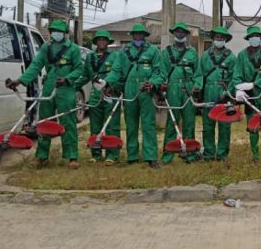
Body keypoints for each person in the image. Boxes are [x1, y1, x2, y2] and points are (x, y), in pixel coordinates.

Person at [6, 19, 83, 168]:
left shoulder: (73, 49)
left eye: (59, 31)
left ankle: (72, 156)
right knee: (44, 122)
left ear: (65, 33)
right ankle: (42, 156)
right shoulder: (45, 48)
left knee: (68, 122)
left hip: (66, 88)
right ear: (50, 33)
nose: (56, 34)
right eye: (54, 31)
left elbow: (79, 68)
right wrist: (21, 80)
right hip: (49, 86)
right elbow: (35, 65)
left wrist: (67, 79)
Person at [105, 23, 161, 168]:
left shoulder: (153, 50)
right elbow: (116, 70)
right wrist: (106, 82)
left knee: (148, 124)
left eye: (141, 34)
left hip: (146, 87)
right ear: (132, 35)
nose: (138, 36)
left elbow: (158, 71)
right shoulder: (124, 52)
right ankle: (132, 155)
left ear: (145, 35)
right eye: (135, 34)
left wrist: (152, 83)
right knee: (131, 123)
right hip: (129, 87)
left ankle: (151, 156)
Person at [154, 22, 199, 164]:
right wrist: (161, 86)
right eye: (177, 32)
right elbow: (162, 73)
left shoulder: (192, 53)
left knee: (189, 122)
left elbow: (198, 73)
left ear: (186, 35)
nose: (180, 34)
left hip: (188, 88)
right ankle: (168, 154)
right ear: (174, 34)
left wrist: (197, 86)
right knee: (171, 121)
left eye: (182, 32)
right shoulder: (166, 52)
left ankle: (190, 153)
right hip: (172, 88)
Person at [232, 26, 261, 162]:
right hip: (250, 96)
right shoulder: (241, 55)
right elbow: (236, 76)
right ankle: (255, 156)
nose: (255, 38)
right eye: (252, 36)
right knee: (253, 125)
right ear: (248, 39)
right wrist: (240, 89)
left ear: (260, 37)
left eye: (257, 36)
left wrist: (254, 84)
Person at [76, 30, 122, 165]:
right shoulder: (90, 57)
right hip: (95, 96)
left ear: (108, 42)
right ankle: (96, 154)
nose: (101, 42)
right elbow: (85, 76)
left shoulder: (115, 57)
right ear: (96, 42)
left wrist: (113, 86)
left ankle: (112, 154)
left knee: (111, 125)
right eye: (99, 39)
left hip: (110, 94)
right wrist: (71, 86)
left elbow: (118, 74)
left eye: (104, 39)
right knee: (95, 127)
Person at [194, 26, 236, 161]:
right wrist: (198, 88)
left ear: (225, 39)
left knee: (224, 125)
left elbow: (234, 77)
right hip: (208, 90)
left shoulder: (231, 56)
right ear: (213, 38)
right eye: (217, 37)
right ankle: (209, 152)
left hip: (223, 91)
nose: (219, 39)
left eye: (222, 38)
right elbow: (199, 74)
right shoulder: (205, 55)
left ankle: (222, 154)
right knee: (208, 124)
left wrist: (228, 92)